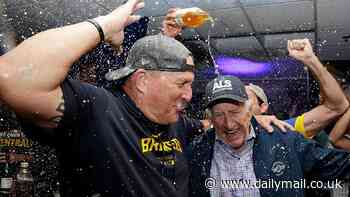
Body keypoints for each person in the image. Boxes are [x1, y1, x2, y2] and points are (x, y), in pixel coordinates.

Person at [0, 1, 292, 196]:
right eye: (183, 84)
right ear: (141, 81)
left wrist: (252, 119)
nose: (190, 96)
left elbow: (211, 125)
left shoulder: (175, 121)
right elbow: (11, 76)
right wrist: (103, 26)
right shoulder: (97, 109)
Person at [189, 75, 350, 197]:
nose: (229, 124)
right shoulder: (196, 152)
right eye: (219, 115)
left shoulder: (285, 139)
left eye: (235, 112)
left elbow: (340, 165)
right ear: (210, 118)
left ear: (248, 110)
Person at [245, 39, 349, 138]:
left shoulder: (281, 130)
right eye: (230, 100)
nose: (239, 103)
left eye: (245, 98)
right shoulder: (228, 136)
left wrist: (311, 60)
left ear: (263, 107)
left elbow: (336, 106)